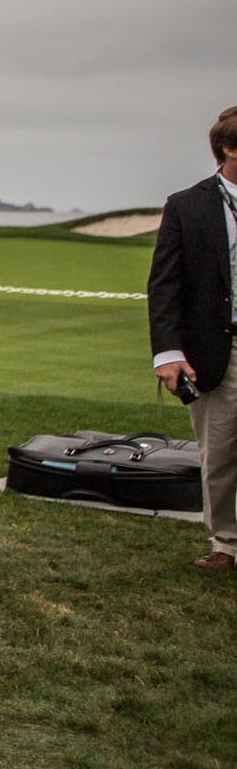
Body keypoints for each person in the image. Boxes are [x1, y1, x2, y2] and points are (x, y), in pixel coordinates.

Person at [148, 105, 237, 572]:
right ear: (228, 148)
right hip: (216, 348)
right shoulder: (187, 205)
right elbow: (164, 285)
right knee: (219, 451)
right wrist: (168, 352)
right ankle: (226, 544)